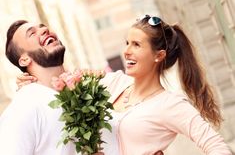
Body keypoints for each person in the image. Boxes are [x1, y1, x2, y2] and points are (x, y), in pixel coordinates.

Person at [16, 15, 232, 155]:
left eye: (136, 45)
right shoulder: (114, 82)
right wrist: (31, 80)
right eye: (127, 43)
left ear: (159, 55)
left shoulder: (171, 104)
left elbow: (218, 147)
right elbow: (63, 84)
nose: (127, 51)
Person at [0, 20, 105, 155]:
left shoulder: (86, 92)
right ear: (24, 60)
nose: (45, 30)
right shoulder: (23, 107)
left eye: (43, 27)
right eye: (32, 33)